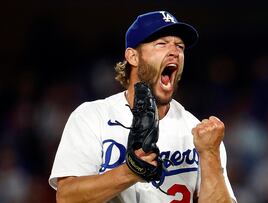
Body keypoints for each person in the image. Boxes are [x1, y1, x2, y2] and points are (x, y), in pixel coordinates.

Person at [49, 10, 237, 203]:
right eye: (161, 44)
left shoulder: (199, 134)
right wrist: (129, 172)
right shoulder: (91, 117)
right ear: (133, 56)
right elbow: (67, 197)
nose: (175, 51)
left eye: (180, 46)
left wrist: (209, 154)